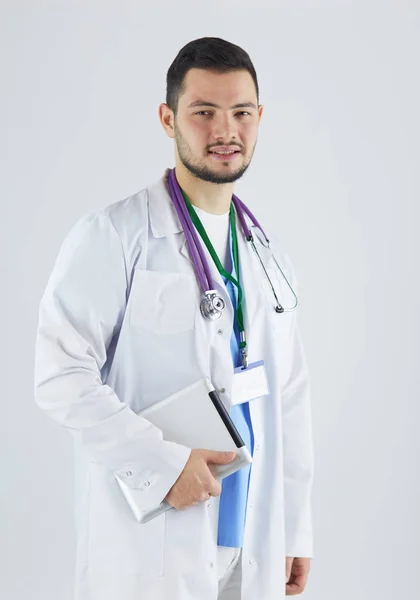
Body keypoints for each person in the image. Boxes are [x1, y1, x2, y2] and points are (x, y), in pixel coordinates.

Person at [34, 37, 314, 600]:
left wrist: (295, 523)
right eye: (203, 112)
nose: (225, 131)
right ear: (169, 119)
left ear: (260, 117)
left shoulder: (267, 253)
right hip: (156, 537)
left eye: (240, 112)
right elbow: (60, 377)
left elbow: (288, 392)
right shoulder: (115, 236)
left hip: (252, 535)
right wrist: (163, 464)